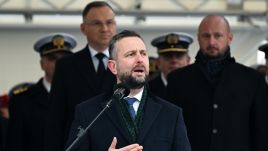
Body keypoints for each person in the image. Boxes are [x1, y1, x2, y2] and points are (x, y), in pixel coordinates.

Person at [65, 30, 191, 151]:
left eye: (143, 53)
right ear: (113, 67)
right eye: (131, 54)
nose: (140, 59)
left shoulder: (171, 114)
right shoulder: (89, 113)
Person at [166, 15, 268, 151]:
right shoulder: (177, 80)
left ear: (229, 38)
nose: (212, 42)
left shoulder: (253, 80)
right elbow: (168, 131)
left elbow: (261, 133)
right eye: (206, 36)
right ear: (198, 38)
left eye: (218, 35)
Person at [44, 1, 117, 151]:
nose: (104, 29)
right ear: (83, 28)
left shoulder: (126, 63)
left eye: (109, 22)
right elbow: (56, 117)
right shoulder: (66, 65)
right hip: (79, 145)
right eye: (97, 23)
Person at [5, 33, 76, 151]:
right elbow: (14, 143)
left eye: (64, 59)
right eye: (53, 58)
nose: (58, 63)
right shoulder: (22, 100)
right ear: (42, 64)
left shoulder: (81, 95)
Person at [149, 32, 193, 98]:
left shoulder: (198, 87)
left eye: (179, 56)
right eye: (168, 56)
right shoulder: (146, 91)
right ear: (158, 62)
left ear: (188, 60)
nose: (174, 61)